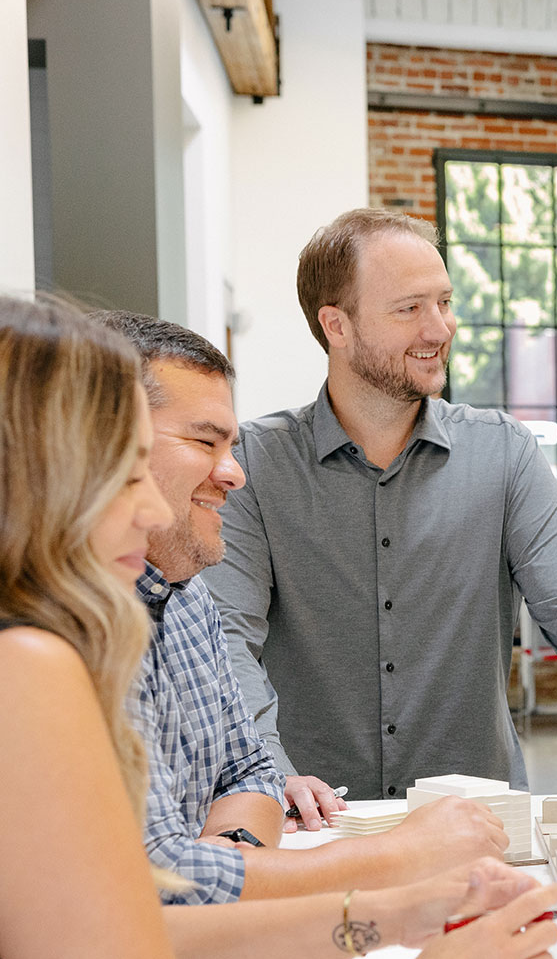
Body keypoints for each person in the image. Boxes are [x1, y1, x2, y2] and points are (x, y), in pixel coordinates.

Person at [0, 298, 557, 959]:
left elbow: (128, 949)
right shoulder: (24, 664)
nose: (151, 509)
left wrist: (403, 912)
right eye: (121, 469)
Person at [203, 208, 557, 808]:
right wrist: (268, 773)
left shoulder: (503, 452)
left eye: (444, 302)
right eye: (409, 309)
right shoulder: (254, 465)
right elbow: (225, 641)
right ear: (336, 325)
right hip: (318, 824)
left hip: (480, 822)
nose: (439, 329)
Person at [93, 311, 509, 903]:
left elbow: (249, 773)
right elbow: (158, 894)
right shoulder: (55, 640)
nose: (233, 473)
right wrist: (395, 865)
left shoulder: (184, 601)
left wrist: (230, 860)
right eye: (203, 442)